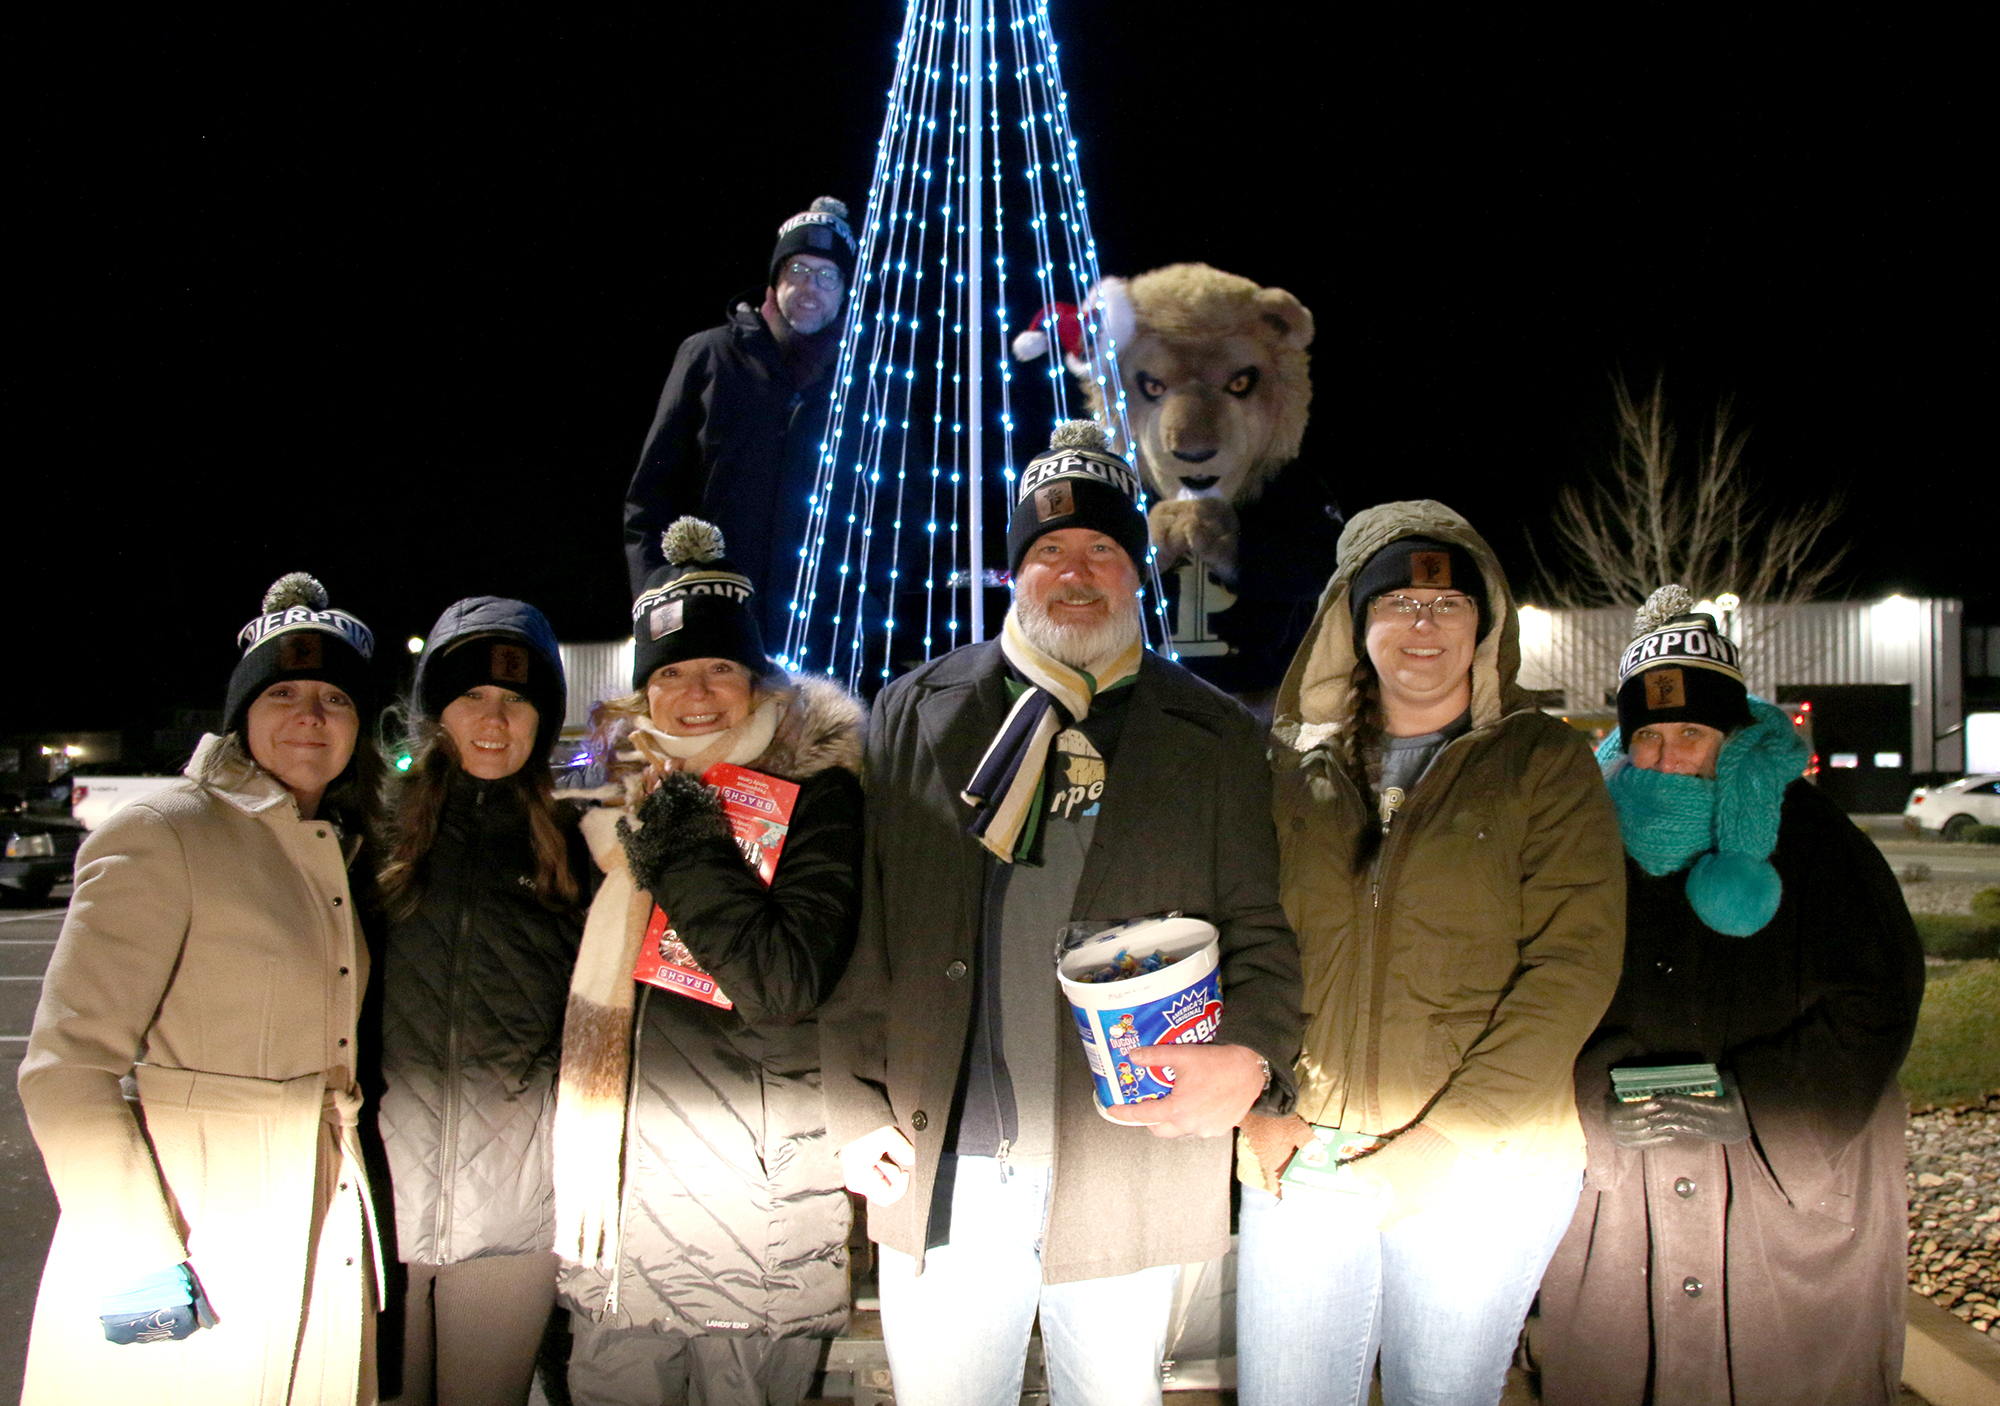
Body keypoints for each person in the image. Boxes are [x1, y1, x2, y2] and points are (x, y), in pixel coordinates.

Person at [819, 420, 1305, 1406]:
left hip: (1128, 1157)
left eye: (1099, 549)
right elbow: (862, 921)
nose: (1073, 571)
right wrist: (848, 1099)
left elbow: (1261, 928)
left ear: (1135, 574)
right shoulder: (920, 709)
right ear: (1014, 575)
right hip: (947, 1152)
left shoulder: (1210, 734)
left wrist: (1253, 1058)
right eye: (1046, 550)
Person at [1236, 501, 1627, 1406]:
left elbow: (1573, 963)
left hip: (1483, 1168)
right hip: (1308, 1151)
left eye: (1448, 605)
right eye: (1396, 603)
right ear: (1354, 620)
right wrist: (1254, 1102)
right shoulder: (1291, 770)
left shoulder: (1540, 761)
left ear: (1484, 624)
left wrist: (1450, 1140)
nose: (1423, 624)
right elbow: (1244, 938)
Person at [1533, 586, 1925, 1406]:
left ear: (1732, 736)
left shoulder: (1817, 840)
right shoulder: (1585, 841)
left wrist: (1760, 1100)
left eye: (1691, 733)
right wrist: (1586, 1095)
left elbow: (1879, 997)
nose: (1669, 756)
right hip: (1625, 1178)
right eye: (1648, 736)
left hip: (1783, 1178)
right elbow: (1539, 989)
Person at [18, 572, 385, 1404]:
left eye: (335, 699)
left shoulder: (329, 846)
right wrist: (137, 1254)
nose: (310, 717)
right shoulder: (163, 831)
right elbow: (67, 1067)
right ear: (242, 711)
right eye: (283, 692)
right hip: (196, 1223)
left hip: (320, 1210)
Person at [553, 517, 865, 1406]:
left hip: (747, 1214)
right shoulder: (608, 806)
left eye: (720, 668)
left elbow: (782, 984)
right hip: (611, 1204)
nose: (695, 693)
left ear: (756, 679)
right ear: (645, 690)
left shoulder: (817, 794)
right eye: (672, 672)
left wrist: (684, 840)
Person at [372, 598, 589, 1405]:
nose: (494, 719)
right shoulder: (374, 831)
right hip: (378, 1204)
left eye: (519, 700)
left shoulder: (576, 843)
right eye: (471, 697)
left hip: (515, 1215)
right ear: (437, 713)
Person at [623, 195, 858, 643]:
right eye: (798, 272)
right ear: (774, 283)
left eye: (828, 276)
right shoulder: (710, 356)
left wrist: (871, 601)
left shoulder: (865, 378)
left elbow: (896, 506)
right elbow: (649, 496)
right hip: (715, 618)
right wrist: (656, 599)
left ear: (846, 289)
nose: (811, 287)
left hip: (828, 627)